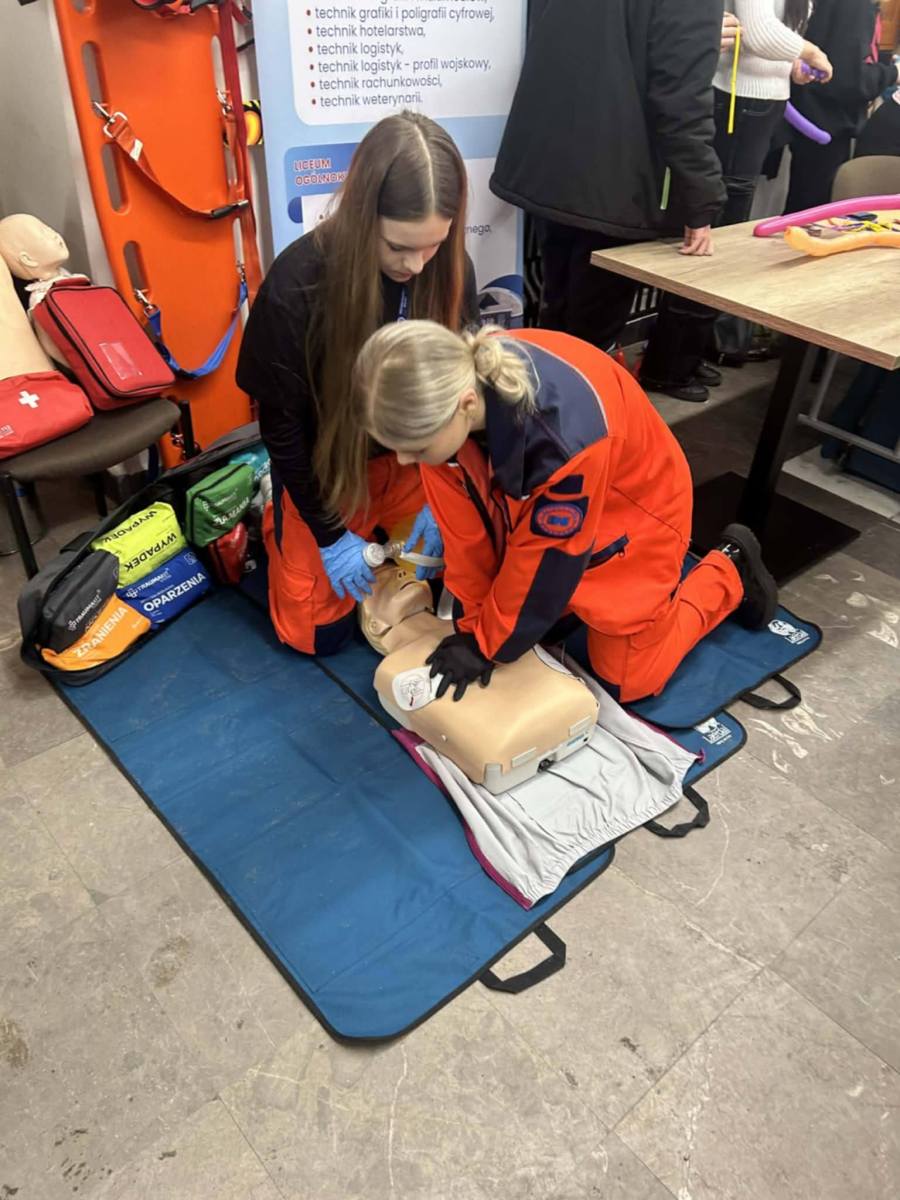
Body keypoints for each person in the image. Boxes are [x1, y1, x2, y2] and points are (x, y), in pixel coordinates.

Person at [353, 321, 778, 704]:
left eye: (416, 448)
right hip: (552, 507)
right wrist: (473, 627)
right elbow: (468, 538)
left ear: (465, 405)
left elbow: (545, 567)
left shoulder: (562, 442)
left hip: (636, 509)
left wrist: (487, 646)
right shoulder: (447, 401)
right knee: (516, 626)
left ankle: (729, 571)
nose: (405, 461)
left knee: (627, 680)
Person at [236, 112, 477, 656]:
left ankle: (387, 527)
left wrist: (452, 492)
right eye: (398, 247)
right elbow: (282, 427)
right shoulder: (298, 286)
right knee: (318, 637)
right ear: (364, 217)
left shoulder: (449, 269)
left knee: (449, 584)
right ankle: (275, 510)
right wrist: (328, 535)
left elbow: (465, 396)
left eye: (433, 245)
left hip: (418, 460)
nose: (417, 265)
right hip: (331, 466)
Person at [490, 0, 726, 403]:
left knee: (558, 313)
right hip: (616, 178)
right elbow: (681, 100)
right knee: (588, 340)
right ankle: (570, 430)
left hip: (552, 158)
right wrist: (702, 198)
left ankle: (535, 424)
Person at [704, 0, 834, 363]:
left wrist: (791, 63)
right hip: (738, 99)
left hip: (764, 102)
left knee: (732, 225)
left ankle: (708, 345)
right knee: (720, 225)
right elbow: (759, 32)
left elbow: (772, 34)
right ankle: (691, 351)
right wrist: (811, 51)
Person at [784, 0, 898, 213]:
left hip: (816, 114)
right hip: (824, 120)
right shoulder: (855, 6)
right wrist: (894, 73)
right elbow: (849, 79)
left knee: (805, 202)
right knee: (813, 209)